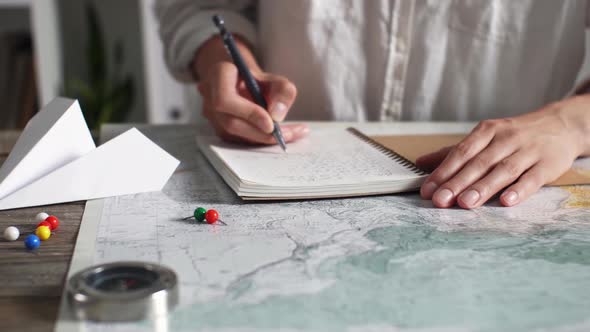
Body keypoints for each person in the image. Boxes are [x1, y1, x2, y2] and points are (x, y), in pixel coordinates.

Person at [156, 0, 590, 209]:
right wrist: (224, 59)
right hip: (280, 177)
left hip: (505, 199)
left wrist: (571, 124)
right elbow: (200, 8)